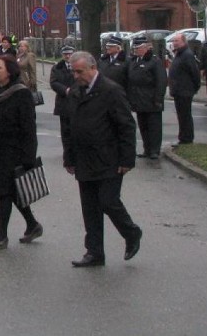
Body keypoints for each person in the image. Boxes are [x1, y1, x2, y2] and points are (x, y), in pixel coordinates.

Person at [63, 51, 142, 267]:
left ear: (92, 68)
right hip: (83, 159)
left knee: (108, 201)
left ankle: (131, 232)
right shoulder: (75, 92)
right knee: (90, 207)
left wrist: (127, 159)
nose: (76, 75)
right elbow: (70, 127)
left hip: (109, 158)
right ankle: (94, 252)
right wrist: (69, 157)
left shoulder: (111, 90)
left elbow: (126, 126)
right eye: (73, 71)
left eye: (80, 71)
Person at [0, 55, 42, 249]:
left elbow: (28, 128)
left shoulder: (20, 93)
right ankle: (32, 224)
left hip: (13, 150)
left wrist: (28, 157)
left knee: (3, 192)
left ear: (10, 70)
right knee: (13, 192)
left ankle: (2, 234)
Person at [126, 35, 167, 160]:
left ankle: (155, 149)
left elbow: (161, 81)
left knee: (154, 126)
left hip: (151, 99)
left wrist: (158, 99)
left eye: (138, 48)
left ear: (144, 48)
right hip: (139, 99)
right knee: (143, 126)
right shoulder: (134, 61)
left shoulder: (154, 61)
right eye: (134, 48)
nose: (135, 50)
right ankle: (147, 149)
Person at [168, 32, 200, 145]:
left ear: (183, 42)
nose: (174, 43)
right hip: (178, 90)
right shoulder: (179, 54)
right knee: (181, 115)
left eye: (177, 41)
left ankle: (187, 139)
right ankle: (183, 137)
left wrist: (195, 87)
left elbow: (194, 73)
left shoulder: (187, 54)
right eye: (174, 41)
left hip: (184, 90)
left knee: (185, 116)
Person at [50, 45, 76, 148]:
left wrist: (74, 90)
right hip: (63, 101)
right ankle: (67, 148)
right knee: (65, 128)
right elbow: (53, 82)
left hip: (76, 100)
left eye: (70, 54)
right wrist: (65, 90)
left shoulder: (78, 66)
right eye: (65, 54)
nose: (68, 56)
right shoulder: (57, 67)